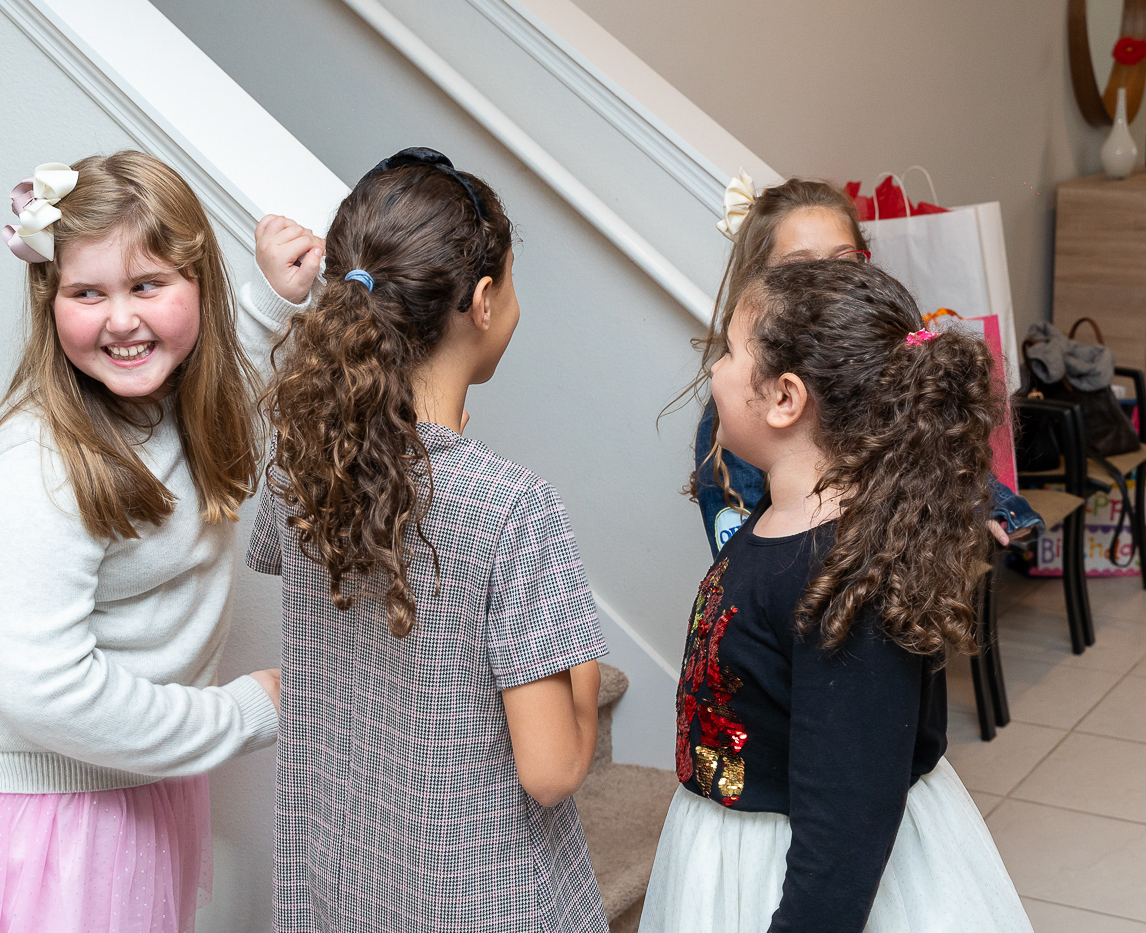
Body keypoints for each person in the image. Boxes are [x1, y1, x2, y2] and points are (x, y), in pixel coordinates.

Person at [0, 151, 323, 933]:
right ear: (50, 300)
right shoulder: (36, 465)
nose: (121, 319)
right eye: (88, 293)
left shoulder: (179, 400)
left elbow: (229, 371)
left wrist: (273, 298)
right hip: (26, 799)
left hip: (116, 767)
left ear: (199, 286)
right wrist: (243, 713)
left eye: (147, 285)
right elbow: (45, 691)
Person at [247, 148, 609, 933]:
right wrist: (579, 663)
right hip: (479, 899)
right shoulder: (512, 507)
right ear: (482, 301)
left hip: (346, 886)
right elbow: (551, 770)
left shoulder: (299, 465)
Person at [639, 260, 1033, 932]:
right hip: (734, 849)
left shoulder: (845, 576)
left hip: (802, 880)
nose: (714, 372)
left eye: (729, 352)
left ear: (785, 398)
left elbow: (845, 830)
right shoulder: (781, 519)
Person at [685, 176, 1040, 557]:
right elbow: (740, 559)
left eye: (845, 261)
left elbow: (935, 456)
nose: (829, 281)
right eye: (800, 268)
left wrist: (984, 503)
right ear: (759, 282)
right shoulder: (739, 408)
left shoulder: (887, 374)